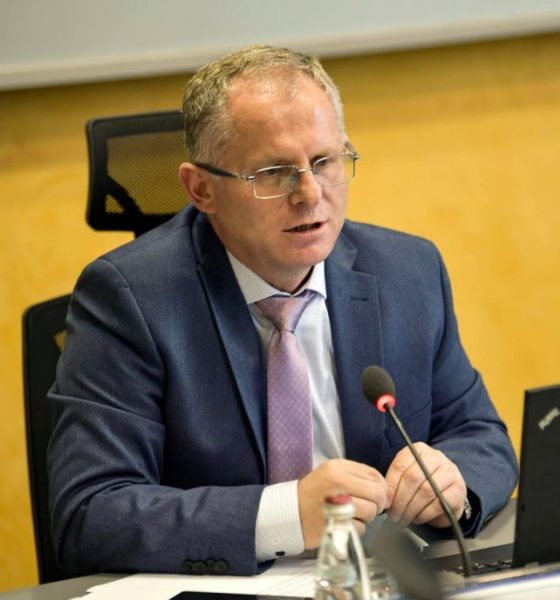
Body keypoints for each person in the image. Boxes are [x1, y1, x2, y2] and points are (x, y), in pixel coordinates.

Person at [47, 45, 517, 577]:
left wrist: (454, 484)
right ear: (201, 188)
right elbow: (90, 514)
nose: (310, 194)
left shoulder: (407, 271)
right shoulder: (129, 298)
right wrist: (285, 515)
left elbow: (481, 436)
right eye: (274, 173)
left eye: (325, 162)